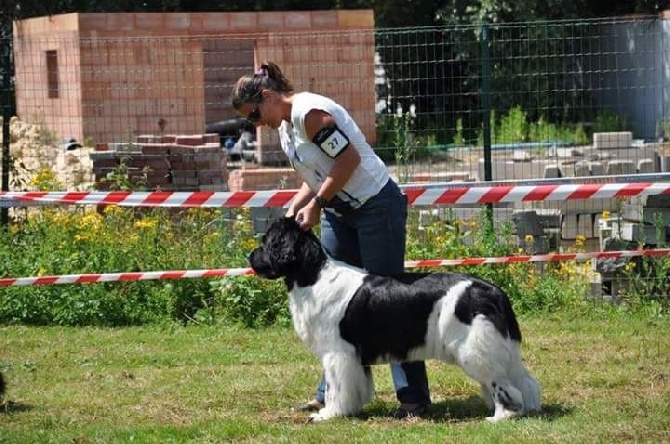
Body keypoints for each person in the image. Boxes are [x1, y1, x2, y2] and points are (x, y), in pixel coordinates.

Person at [231, 61, 431, 419]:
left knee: (390, 303)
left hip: (375, 207)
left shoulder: (310, 115)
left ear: (267, 96)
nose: (255, 125)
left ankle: (413, 399)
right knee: (332, 309)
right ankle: (333, 395)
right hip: (341, 214)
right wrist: (298, 203)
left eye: (254, 115)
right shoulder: (284, 127)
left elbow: (348, 159)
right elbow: (316, 173)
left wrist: (318, 205)